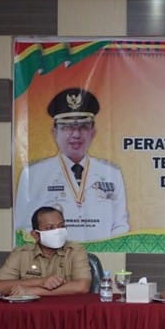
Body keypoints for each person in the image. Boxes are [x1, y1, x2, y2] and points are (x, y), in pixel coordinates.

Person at [14, 87, 129, 241]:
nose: (76, 134)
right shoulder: (33, 174)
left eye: (83, 127)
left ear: (93, 132)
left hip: (102, 254)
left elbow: (120, 226)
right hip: (54, 255)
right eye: (67, 127)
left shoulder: (111, 173)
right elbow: (23, 227)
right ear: (54, 132)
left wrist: (104, 251)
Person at [0, 206, 92, 297]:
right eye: (50, 228)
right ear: (36, 235)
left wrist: (32, 291)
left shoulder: (75, 251)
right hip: (29, 309)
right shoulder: (21, 254)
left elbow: (82, 287)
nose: (57, 231)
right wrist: (40, 282)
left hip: (65, 308)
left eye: (61, 226)